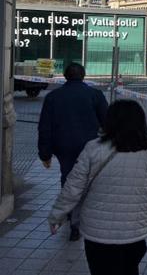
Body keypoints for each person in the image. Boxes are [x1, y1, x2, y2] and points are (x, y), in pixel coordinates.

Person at [48, 100, 147, 275]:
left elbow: (73, 187)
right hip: (134, 230)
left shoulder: (93, 149)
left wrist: (57, 215)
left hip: (96, 233)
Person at [38, 63, 108, 241]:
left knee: (69, 178)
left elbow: (44, 127)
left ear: (65, 76)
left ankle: (72, 219)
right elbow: (107, 121)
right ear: (83, 76)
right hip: (90, 146)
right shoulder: (94, 94)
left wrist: (44, 154)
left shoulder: (53, 97)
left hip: (63, 146)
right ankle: (85, 215)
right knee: (89, 179)